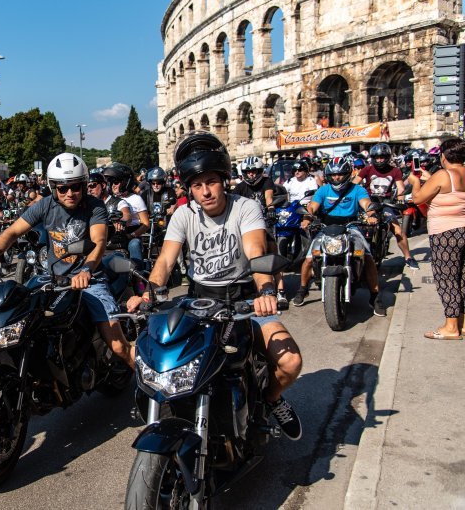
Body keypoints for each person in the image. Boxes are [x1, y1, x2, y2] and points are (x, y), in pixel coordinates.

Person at [125, 132, 303, 440]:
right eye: (197, 185)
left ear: (224, 180)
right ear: (189, 188)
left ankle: (272, 399)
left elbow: (256, 252)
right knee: (150, 352)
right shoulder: (184, 213)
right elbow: (166, 260)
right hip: (198, 302)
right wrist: (148, 294)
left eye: (211, 182)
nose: (205, 192)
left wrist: (266, 292)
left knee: (290, 361)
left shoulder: (245, 208)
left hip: (244, 300)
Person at [0, 152, 135, 369]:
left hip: (89, 281)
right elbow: (12, 232)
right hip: (50, 278)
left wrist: (86, 270)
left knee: (118, 346)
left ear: (84, 185)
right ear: (53, 187)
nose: (70, 193)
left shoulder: (95, 207)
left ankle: (152, 389)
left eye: (76, 186)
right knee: (18, 319)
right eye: (63, 188)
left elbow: (98, 242)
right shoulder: (45, 205)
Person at [292, 157, 386, 316]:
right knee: (309, 258)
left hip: (352, 228)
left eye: (340, 174)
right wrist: (307, 218)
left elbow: (366, 204)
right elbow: (313, 206)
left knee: (368, 257)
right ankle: (303, 289)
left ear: (348, 173)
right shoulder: (323, 190)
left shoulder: (357, 190)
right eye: (333, 175)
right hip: (326, 229)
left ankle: (375, 297)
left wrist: (371, 214)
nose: (336, 178)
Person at [405, 139, 465, 339]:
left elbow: (418, 198)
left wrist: (415, 183)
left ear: (444, 157)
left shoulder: (442, 174)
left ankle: (451, 328)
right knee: (462, 278)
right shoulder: (459, 173)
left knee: (447, 279)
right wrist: (429, 178)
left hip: (445, 233)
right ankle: (463, 324)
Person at [353, 143, 418, 270]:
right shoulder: (367, 169)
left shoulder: (395, 171)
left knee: (398, 231)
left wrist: (400, 200)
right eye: (376, 157)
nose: (379, 160)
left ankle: (408, 257)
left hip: (386, 203)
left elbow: (400, 188)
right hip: (369, 203)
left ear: (388, 157)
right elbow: (354, 184)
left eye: (382, 157)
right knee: (357, 229)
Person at [103, 162, 149, 264]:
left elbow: (146, 224)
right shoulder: (110, 200)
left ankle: (137, 275)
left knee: (134, 245)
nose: (113, 185)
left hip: (131, 234)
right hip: (112, 236)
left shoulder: (136, 199)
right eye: (110, 182)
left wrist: (131, 235)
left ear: (125, 182)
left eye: (116, 182)